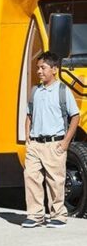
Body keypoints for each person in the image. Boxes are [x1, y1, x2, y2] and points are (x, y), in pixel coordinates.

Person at [21, 51, 79, 228]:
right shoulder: (35, 91)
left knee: (55, 180)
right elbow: (29, 115)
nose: (39, 71)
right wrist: (28, 137)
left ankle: (58, 215)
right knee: (31, 177)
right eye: (38, 67)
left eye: (43, 68)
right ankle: (35, 215)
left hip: (55, 144)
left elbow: (75, 116)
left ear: (54, 69)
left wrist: (65, 142)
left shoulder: (63, 91)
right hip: (35, 143)